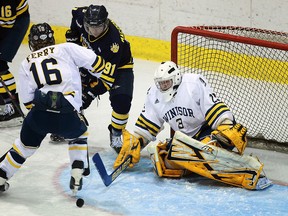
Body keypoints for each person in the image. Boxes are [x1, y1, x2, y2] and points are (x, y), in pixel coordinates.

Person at [113, 61, 271, 190]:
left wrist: (226, 126)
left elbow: (216, 110)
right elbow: (147, 128)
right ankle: (196, 162)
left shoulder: (193, 83)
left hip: (209, 132)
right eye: (160, 83)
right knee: (162, 162)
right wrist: (135, 143)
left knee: (208, 149)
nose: (163, 86)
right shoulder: (154, 94)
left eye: (166, 82)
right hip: (186, 142)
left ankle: (246, 170)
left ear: (175, 79)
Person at [0, 23, 106, 193]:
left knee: (24, 147)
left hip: (40, 114)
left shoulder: (26, 63)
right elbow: (98, 63)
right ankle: (77, 170)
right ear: (52, 38)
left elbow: (27, 101)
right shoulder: (66, 48)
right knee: (79, 134)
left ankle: (2, 174)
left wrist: (37, 118)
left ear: (31, 43)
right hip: (66, 113)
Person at [59, 4, 134, 153]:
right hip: (91, 60)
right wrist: (73, 34)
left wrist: (91, 94)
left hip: (119, 67)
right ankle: (67, 124)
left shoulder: (114, 43)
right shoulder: (81, 16)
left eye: (98, 27)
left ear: (105, 23)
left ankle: (116, 132)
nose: (93, 31)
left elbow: (107, 79)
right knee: (71, 88)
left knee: (122, 101)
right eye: (90, 27)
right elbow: (75, 13)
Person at [0, 0, 30, 124]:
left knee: (0, 65)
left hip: (16, 24)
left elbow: (6, 26)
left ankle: (11, 105)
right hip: (5, 23)